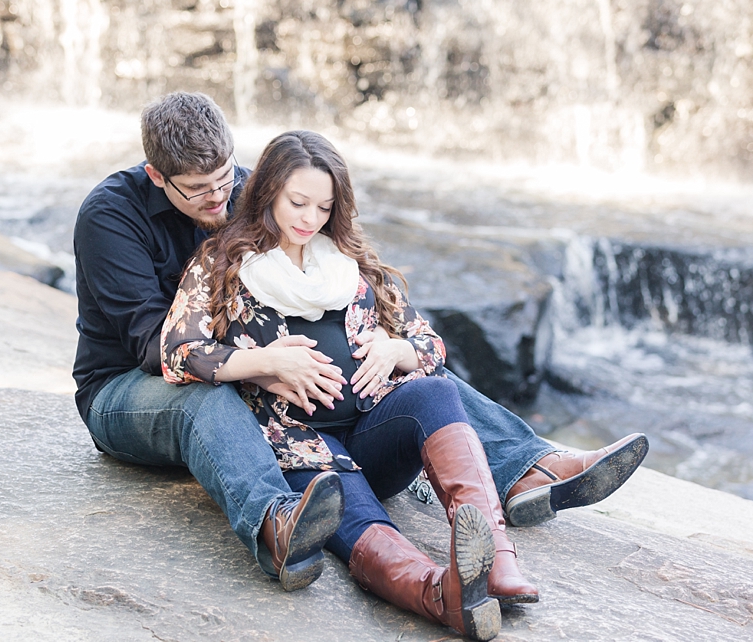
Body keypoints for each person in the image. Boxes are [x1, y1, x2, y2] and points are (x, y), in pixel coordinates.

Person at [72, 91, 648, 599]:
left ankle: (523, 470)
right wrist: (260, 365)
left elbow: (336, 273)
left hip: (283, 388)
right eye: (200, 191)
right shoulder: (110, 216)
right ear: (156, 176)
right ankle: (277, 523)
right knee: (206, 399)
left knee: (419, 384)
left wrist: (386, 344)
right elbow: (157, 349)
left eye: (227, 178)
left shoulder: (252, 193)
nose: (221, 199)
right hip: (127, 389)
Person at [162, 129, 541, 639]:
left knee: (436, 390)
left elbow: (430, 344)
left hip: (373, 430)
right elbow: (177, 352)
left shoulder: (350, 261)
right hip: (297, 449)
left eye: (323, 207)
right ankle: (442, 595)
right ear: (268, 190)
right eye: (297, 202)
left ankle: (493, 559)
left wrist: (395, 350)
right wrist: (262, 362)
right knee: (351, 514)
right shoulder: (220, 261)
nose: (309, 218)